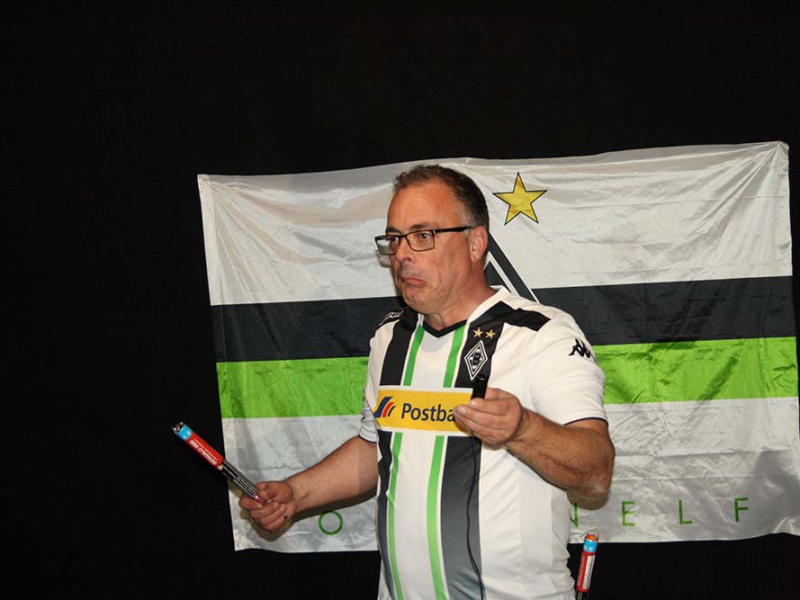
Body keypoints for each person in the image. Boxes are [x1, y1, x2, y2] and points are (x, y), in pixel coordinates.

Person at [240, 164, 615, 599]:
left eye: (422, 236)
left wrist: (522, 429)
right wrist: (296, 493)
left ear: (475, 242)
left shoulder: (541, 334)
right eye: (395, 239)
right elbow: (375, 448)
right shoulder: (389, 339)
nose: (402, 254)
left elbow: (596, 474)